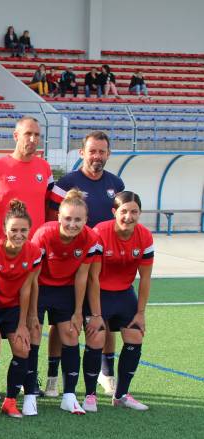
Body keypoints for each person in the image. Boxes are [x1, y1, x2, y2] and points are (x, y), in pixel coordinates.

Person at [49, 131, 125, 396]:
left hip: (103, 266)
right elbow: (52, 220)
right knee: (62, 322)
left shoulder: (116, 184)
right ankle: (52, 377)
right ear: (82, 152)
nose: (97, 156)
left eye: (102, 152)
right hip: (68, 265)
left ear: (108, 154)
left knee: (105, 319)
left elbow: (120, 221)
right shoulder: (66, 182)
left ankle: (107, 374)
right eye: (92, 151)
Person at [27, 189, 99, 416]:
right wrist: (32, 311)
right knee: (34, 334)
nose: (73, 224)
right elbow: (33, 276)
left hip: (65, 290)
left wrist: (78, 311)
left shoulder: (90, 238)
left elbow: (82, 276)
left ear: (86, 220)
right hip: (40, 288)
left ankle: (69, 395)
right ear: (58, 216)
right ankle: (29, 393)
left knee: (70, 334)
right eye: (68, 218)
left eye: (78, 219)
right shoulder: (44, 234)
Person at [0, 200, 41, 419]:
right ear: (4, 230)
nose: (19, 234)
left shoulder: (34, 252)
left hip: (13, 307)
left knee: (23, 349)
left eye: (23, 230)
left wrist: (24, 324)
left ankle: (10, 401)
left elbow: (26, 290)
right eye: (14, 230)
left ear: (29, 230)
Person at [87, 191, 153, 411]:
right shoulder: (100, 233)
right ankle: (90, 396)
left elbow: (145, 279)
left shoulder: (145, 236)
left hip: (124, 293)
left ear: (140, 213)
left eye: (134, 212)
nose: (129, 217)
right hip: (99, 293)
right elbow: (93, 277)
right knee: (96, 338)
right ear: (115, 212)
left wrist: (140, 313)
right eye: (124, 211)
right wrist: (96, 315)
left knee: (135, 335)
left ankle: (121, 394)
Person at [0, 116, 56, 243]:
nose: (33, 139)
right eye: (28, 134)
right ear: (16, 136)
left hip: (36, 246)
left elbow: (48, 203)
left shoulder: (44, 167)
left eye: (37, 135)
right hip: (2, 245)